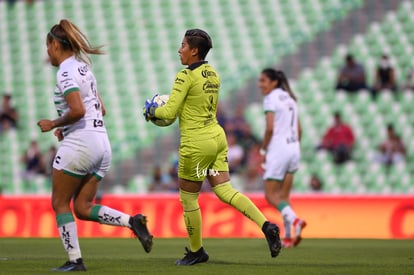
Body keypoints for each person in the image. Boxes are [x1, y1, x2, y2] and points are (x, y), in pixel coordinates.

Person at [144, 29, 281, 265]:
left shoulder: (184, 76)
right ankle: (266, 225)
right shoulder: (213, 74)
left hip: (196, 143)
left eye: (183, 45)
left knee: (188, 198)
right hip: (217, 138)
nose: (180, 50)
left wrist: (150, 110)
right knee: (225, 190)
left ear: (194, 50)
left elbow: (168, 112)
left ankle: (197, 251)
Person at [36, 19, 152, 271]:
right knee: (82, 207)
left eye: (48, 46)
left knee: (59, 203)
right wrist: (67, 127)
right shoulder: (84, 69)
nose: (48, 52)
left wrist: (54, 123)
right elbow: (101, 109)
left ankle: (75, 260)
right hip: (101, 143)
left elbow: (77, 109)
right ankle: (132, 221)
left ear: (55, 44)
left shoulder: (66, 71)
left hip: (81, 144)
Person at [258, 68, 306, 249]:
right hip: (294, 148)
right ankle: (287, 237)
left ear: (274, 82)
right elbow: (299, 129)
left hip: (279, 150)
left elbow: (270, 128)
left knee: (270, 195)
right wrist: (294, 149)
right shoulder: (291, 99)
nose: (260, 84)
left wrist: (263, 150)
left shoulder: (271, 98)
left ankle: (295, 221)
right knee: (284, 196)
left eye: (263, 81)